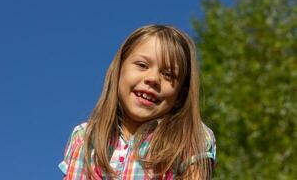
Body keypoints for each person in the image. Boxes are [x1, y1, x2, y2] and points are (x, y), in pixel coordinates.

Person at [59, 24, 216, 179]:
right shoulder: (85, 137)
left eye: (168, 75)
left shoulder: (189, 136)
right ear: (119, 71)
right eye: (142, 65)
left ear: (180, 95)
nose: (153, 79)